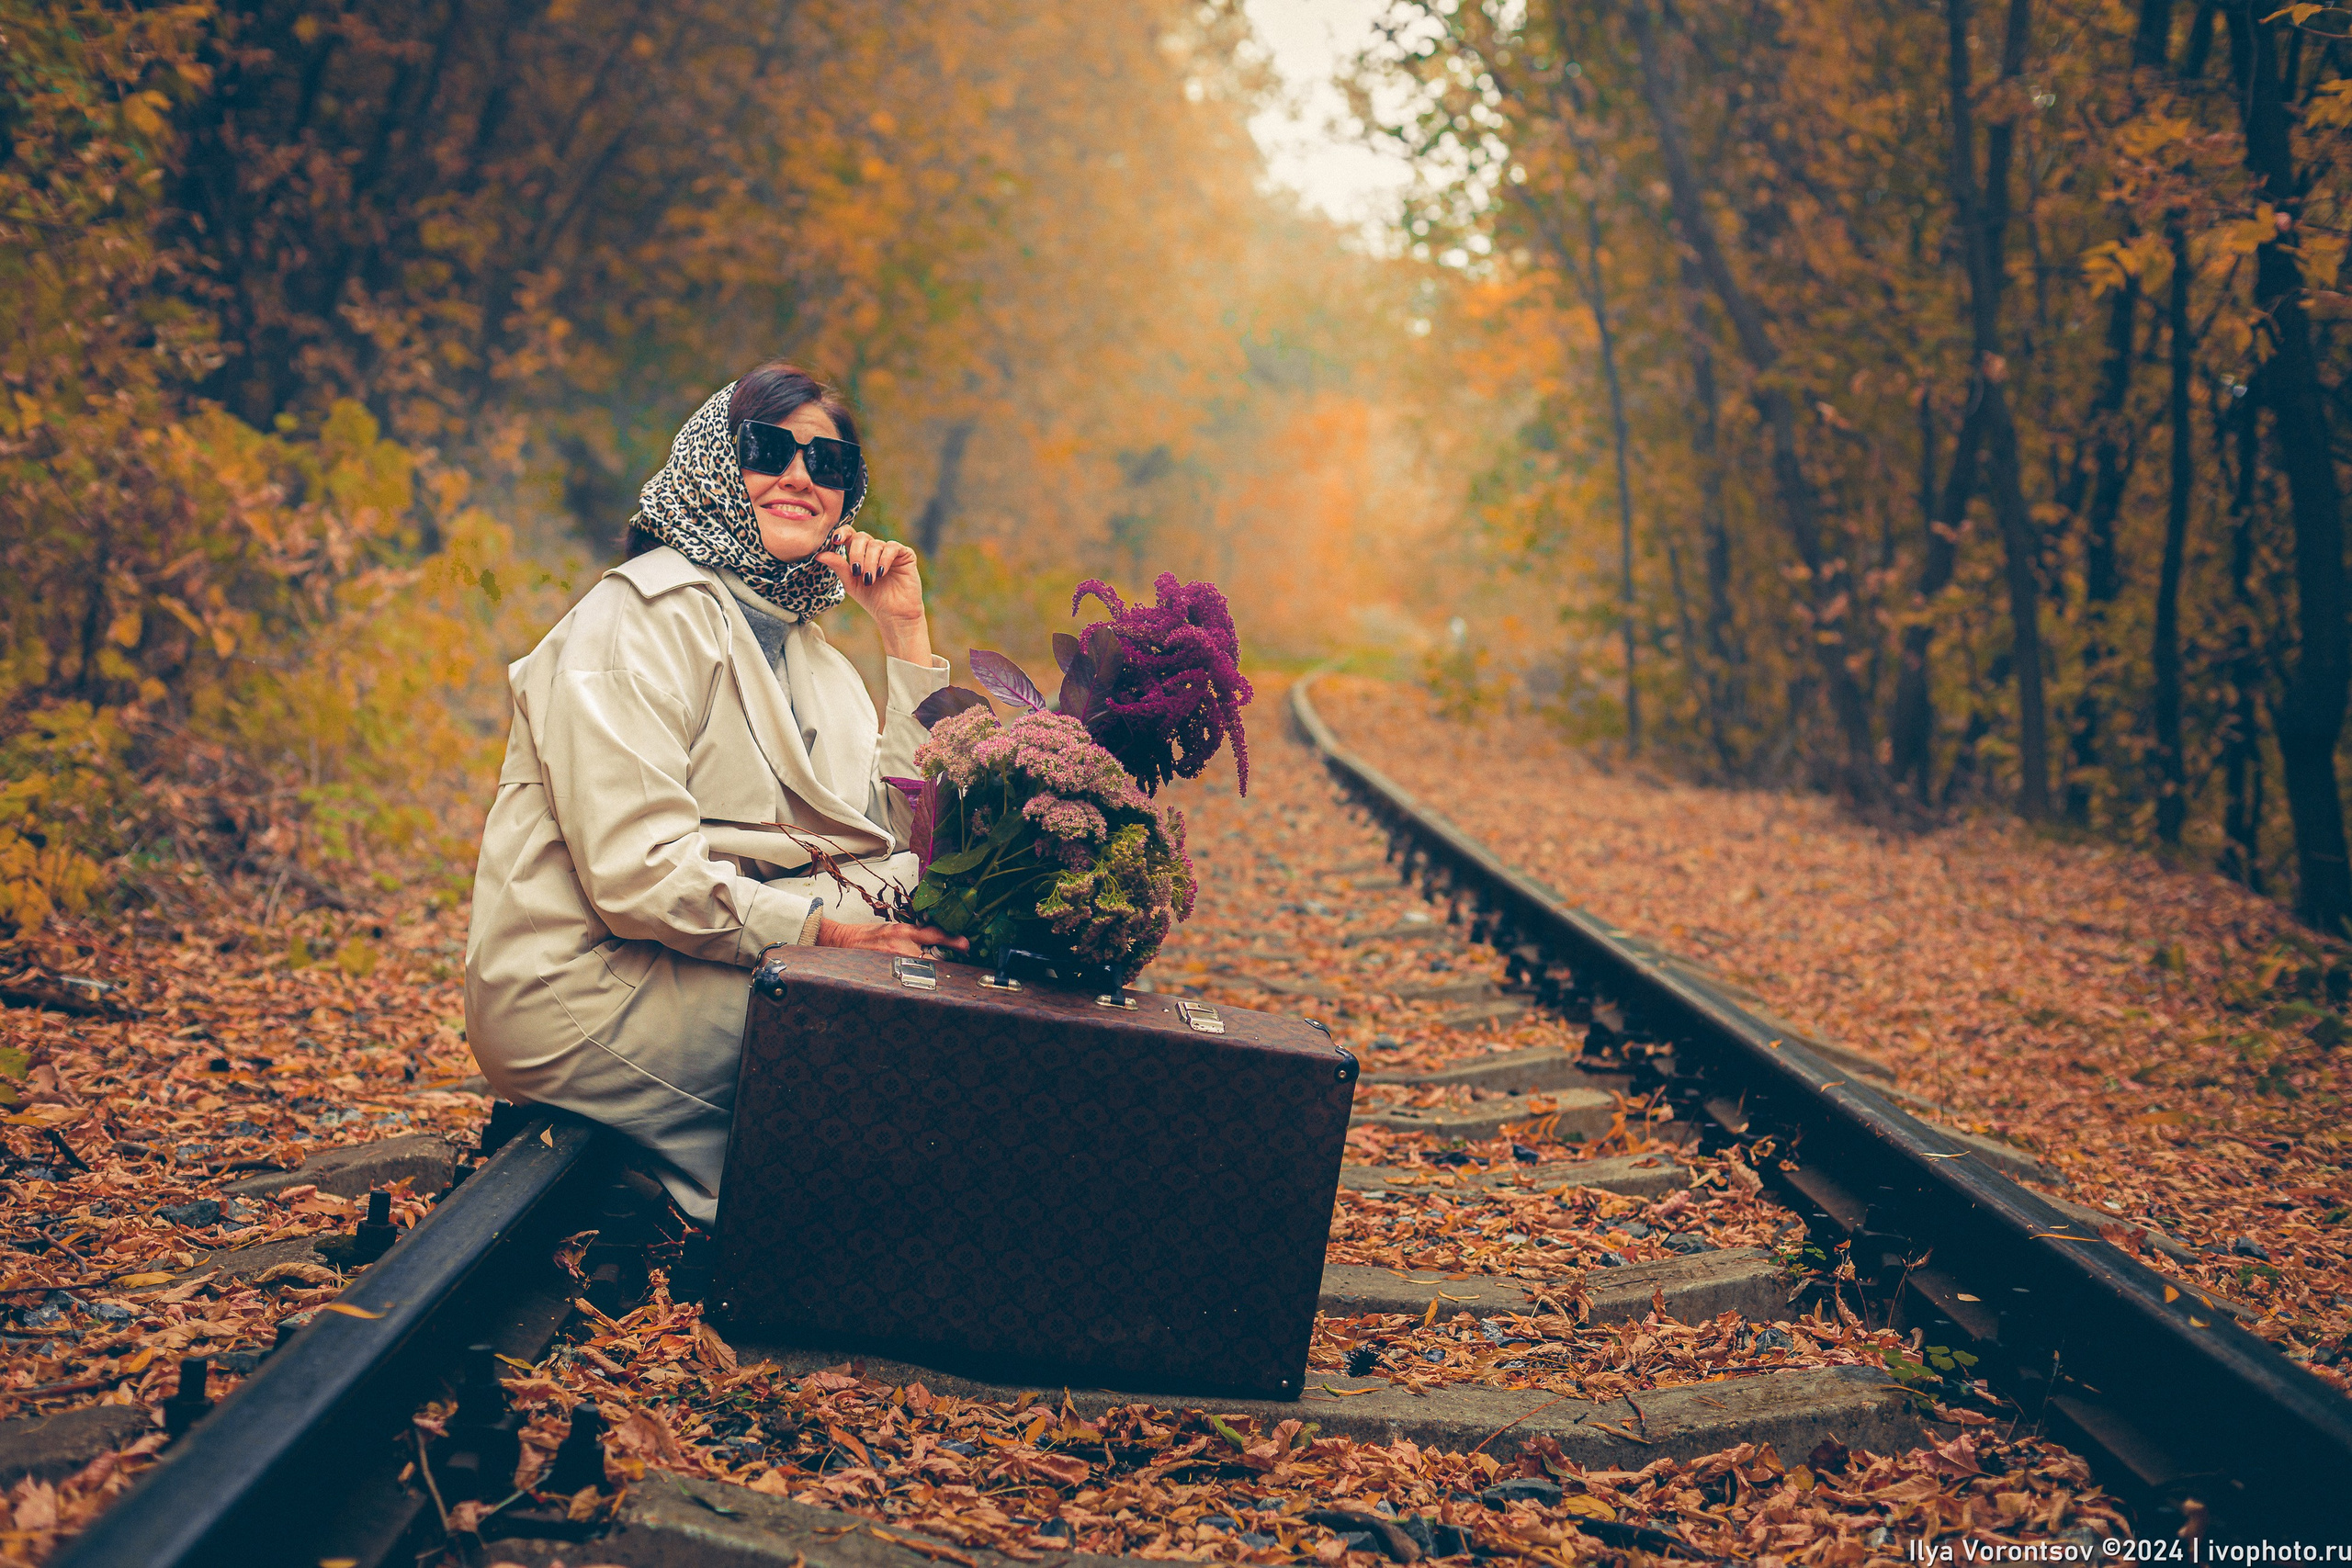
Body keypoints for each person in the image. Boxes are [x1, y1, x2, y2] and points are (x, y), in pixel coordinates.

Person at [464, 364, 966, 1221]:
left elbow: (900, 842)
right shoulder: (637, 617)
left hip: (707, 959)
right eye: (769, 449)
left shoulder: (820, 661)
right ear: (710, 463)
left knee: (951, 1003)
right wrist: (834, 936)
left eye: (830, 464)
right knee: (909, 1047)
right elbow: (639, 875)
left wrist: (904, 632)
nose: (802, 476)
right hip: (586, 982)